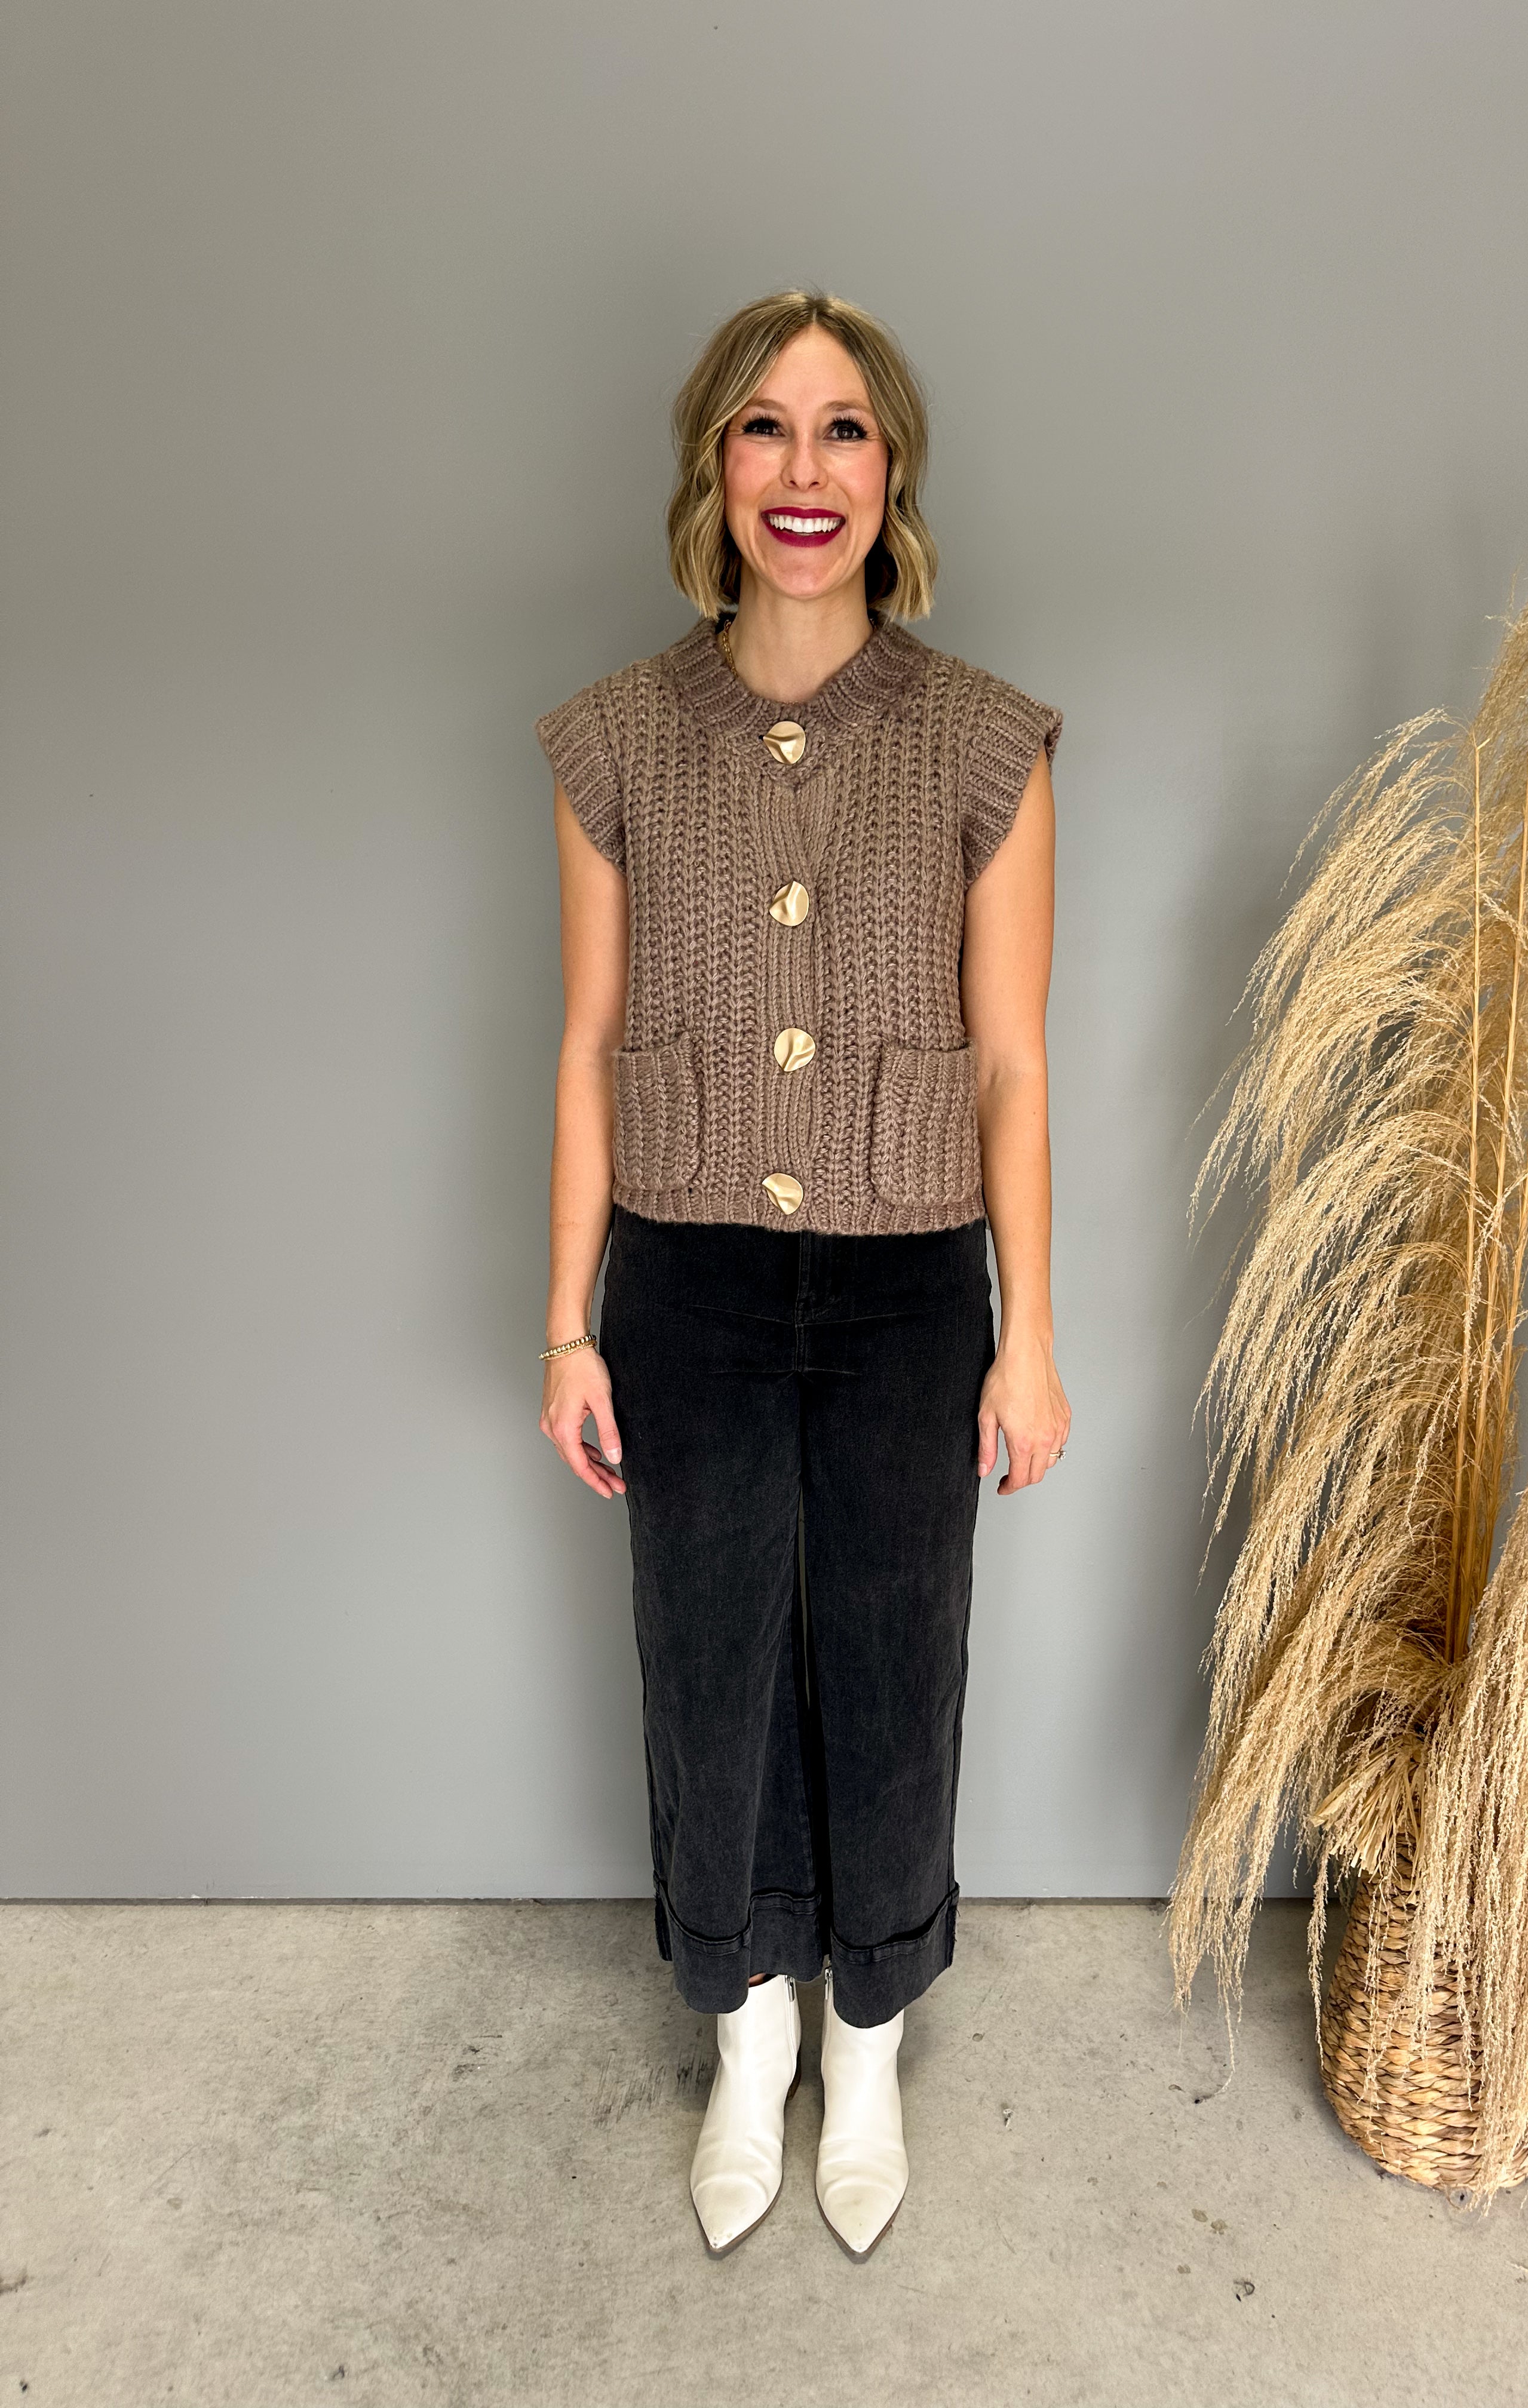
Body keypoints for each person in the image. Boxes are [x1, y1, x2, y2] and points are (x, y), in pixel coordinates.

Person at [533, 288, 1070, 2262]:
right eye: (765, 427)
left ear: (891, 468)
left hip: (912, 1285)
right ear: (716, 465)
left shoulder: (984, 741)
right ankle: (748, 2036)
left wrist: (1031, 1337)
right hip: (684, 1279)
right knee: (708, 1660)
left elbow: (1012, 1064)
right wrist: (568, 1321)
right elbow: (590, 1043)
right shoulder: (612, 739)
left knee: (895, 1658)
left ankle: (868, 2041)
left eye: (843, 428)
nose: (805, 469)